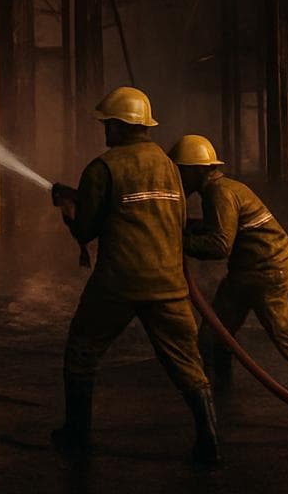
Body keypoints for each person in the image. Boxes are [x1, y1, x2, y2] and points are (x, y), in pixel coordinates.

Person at [50, 86, 219, 465]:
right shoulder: (169, 168)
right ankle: (210, 442)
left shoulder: (102, 168)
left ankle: (77, 436)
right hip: (170, 284)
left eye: (108, 123)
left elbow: (86, 231)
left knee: (81, 350)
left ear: (121, 126)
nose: (104, 130)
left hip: (119, 283)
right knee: (187, 363)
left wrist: (66, 207)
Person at [170, 134, 288, 413]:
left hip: (266, 271)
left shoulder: (219, 194)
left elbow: (219, 245)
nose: (178, 179)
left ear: (195, 170)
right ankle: (220, 395)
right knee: (214, 333)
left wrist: (178, 241)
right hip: (249, 271)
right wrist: (196, 227)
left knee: (286, 336)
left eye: (180, 171)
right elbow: (228, 228)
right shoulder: (224, 189)